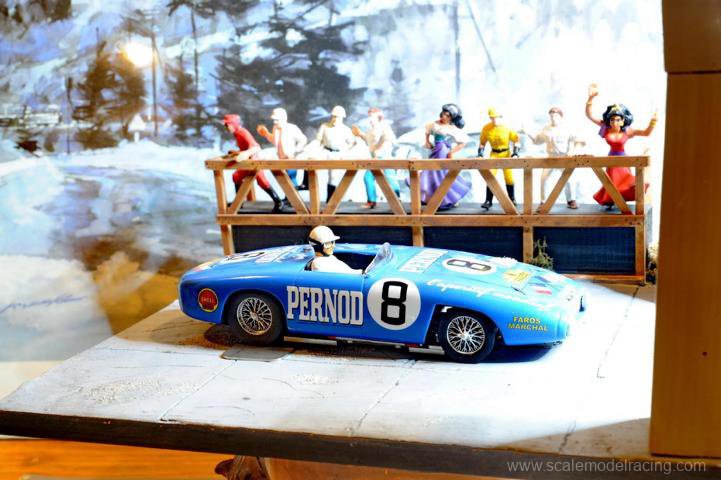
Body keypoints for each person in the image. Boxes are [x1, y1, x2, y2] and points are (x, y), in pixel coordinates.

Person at [585, 84, 656, 209]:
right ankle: (610, 200)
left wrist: (653, 122)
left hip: (623, 160)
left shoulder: (627, 131)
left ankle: (621, 200)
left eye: (618, 120)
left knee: (624, 181)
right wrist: (590, 98)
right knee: (611, 182)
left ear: (623, 120)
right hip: (611, 160)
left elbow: (646, 133)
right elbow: (589, 115)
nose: (615, 122)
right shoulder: (606, 128)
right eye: (612, 120)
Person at [521, 107, 583, 209]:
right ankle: (543, 202)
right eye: (551, 115)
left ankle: (571, 200)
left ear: (561, 116)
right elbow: (537, 140)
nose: (553, 117)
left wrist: (573, 151)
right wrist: (527, 132)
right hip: (551, 158)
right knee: (544, 179)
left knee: (569, 179)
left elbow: (579, 141)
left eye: (556, 115)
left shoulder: (567, 128)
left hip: (564, 158)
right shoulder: (546, 129)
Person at [223, 114, 283, 213]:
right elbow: (245, 148)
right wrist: (236, 153)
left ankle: (278, 202)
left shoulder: (243, 133)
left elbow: (256, 147)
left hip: (253, 162)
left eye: (227, 125)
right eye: (225, 125)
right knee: (236, 177)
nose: (226, 128)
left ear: (234, 124)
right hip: (247, 162)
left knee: (262, 182)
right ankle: (239, 202)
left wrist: (245, 154)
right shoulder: (237, 133)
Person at [418, 104, 471, 210]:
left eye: (447, 116)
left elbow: (463, 141)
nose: (444, 117)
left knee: (441, 174)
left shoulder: (451, 128)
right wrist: (427, 142)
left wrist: (451, 152)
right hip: (436, 150)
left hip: (442, 151)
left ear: (451, 118)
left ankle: (447, 199)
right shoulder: (435, 124)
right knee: (431, 174)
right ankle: (431, 198)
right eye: (443, 114)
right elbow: (427, 132)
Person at [256, 107, 308, 207]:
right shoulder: (275, 128)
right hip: (281, 158)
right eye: (274, 120)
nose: (275, 122)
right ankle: (289, 198)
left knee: (291, 177)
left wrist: (295, 151)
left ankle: (294, 200)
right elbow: (275, 141)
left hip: (290, 158)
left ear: (284, 118)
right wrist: (266, 134)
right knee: (285, 179)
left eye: (277, 120)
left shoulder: (292, 128)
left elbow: (303, 139)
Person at [352, 107, 400, 208]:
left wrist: (379, 150)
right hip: (375, 159)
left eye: (372, 117)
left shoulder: (384, 127)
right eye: (369, 116)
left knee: (390, 179)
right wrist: (359, 134)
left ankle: (397, 200)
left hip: (384, 157)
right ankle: (371, 201)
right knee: (368, 177)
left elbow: (388, 139)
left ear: (379, 117)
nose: (370, 119)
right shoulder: (372, 129)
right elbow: (369, 140)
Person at [478, 108, 521, 210]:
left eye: (496, 117)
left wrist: (515, 152)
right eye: (492, 118)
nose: (494, 120)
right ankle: (488, 200)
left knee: (509, 177)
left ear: (501, 117)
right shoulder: (486, 128)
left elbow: (516, 140)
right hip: (494, 154)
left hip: (506, 154)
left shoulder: (507, 128)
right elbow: (482, 143)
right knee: (490, 175)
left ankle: (512, 199)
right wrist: (480, 154)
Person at [313, 105, 357, 201]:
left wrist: (344, 152)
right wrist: (314, 151)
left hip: (337, 154)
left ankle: (330, 200)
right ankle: (308, 186)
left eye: (337, 116)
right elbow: (318, 140)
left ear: (342, 117)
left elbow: (352, 143)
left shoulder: (345, 129)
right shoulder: (324, 126)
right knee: (311, 166)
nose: (335, 118)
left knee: (333, 177)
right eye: (334, 116)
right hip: (324, 152)